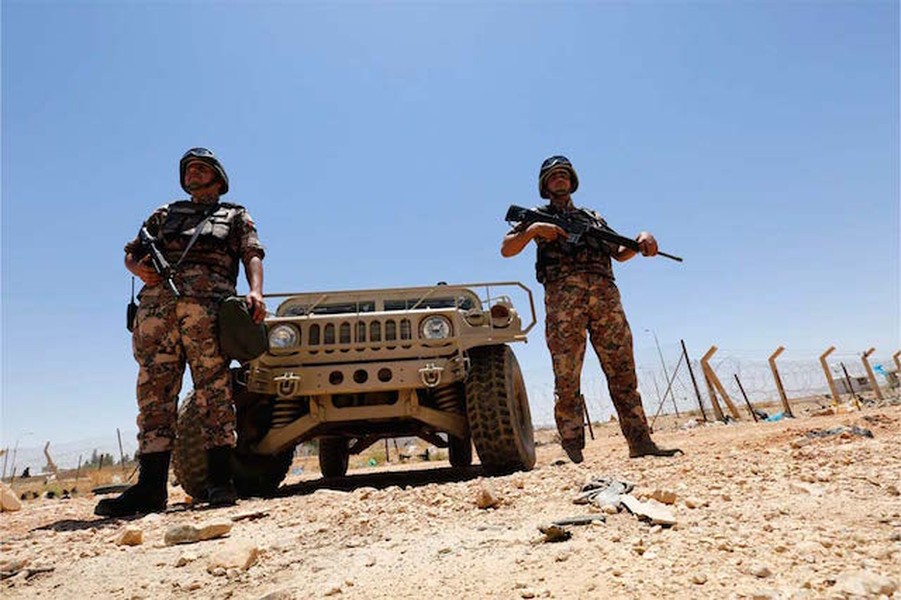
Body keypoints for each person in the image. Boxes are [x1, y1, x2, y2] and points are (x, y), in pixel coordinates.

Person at [95, 148, 267, 517]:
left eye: (201, 168)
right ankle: (150, 488)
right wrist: (138, 270)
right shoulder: (164, 214)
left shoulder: (235, 215)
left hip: (208, 310)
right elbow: (131, 253)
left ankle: (220, 482)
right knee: (154, 395)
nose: (193, 173)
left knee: (214, 392)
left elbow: (252, 253)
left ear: (218, 178)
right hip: (157, 312)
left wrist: (256, 291)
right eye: (189, 169)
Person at [501, 155, 681, 463]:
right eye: (553, 176)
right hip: (563, 302)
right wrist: (533, 231)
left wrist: (641, 242)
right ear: (545, 185)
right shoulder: (536, 216)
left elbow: (619, 252)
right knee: (567, 377)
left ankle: (640, 442)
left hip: (605, 299)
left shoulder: (592, 217)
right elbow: (507, 249)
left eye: (564, 174)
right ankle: (572, 449)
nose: (559, 178)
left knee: (623, 372)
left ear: (572, 181)